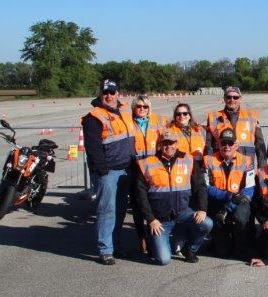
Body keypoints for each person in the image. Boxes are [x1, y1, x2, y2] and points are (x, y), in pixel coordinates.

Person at [132, 131, 213, 265]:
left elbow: (200, 186)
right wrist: (151, 219)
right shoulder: (147, 164)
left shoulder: (188, 160)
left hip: (183, 214)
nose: (169, 146)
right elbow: (140, 196)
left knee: (207, 223)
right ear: (159, 145)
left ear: (177, 144)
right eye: (165, 143)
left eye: (172, 143)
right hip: (160, 220)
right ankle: (154, 240)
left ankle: (190, 249)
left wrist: (202, 209)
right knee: (163, 260)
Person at [81, 79, 137, 265]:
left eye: (112, 92)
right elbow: (93, 148)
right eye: (105, 92)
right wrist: (102, 171)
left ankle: (116, 244)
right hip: (108, 172)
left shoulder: (125, 110)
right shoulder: (94, 117)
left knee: (120, 210)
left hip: (126, 169)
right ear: (100, 94)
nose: (109, 96)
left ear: (118, 93)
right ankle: (105, 249)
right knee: (107, 210)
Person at [204, 128, 257, 259]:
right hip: (218, 201)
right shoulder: (209, 161)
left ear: (236, 145)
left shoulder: (247, 161)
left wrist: (229, 205)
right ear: (218, 144)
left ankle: (241, 246)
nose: (227, 146)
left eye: (230, 143)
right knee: (222, 252)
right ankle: (222, 238)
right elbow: (206, 187)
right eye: (223, 143)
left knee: (240, 217)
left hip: (239, 201)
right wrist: (227, 196)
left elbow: (249, 187)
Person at [128, 94, 166, 256]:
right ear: (133, 108)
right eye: (139, 106)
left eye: (145, 106)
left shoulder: (159, 120)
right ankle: (141, 236)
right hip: (135, 167)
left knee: (154, 200)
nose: (142, 109)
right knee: (137, 203)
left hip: (153, 166)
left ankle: (154, 236)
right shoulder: (128, 122)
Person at [205, 86, 266, 167]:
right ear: (224, 99)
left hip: (246, 165)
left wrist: (262, 167)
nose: (232, 100)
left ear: (240, 99)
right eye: (229, 97)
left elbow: (260, 145)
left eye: (235, 97)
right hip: (220, 166)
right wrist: (208, 165)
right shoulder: (213, 117)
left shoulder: (251, 116)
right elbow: (208, 145)